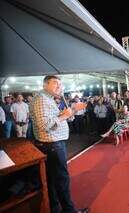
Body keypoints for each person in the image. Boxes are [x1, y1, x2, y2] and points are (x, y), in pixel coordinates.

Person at [29, 75, 88, 213]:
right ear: (45, 85)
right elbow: (44, 124)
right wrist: (69, 113)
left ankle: (55, 209)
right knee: (62, 180)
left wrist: (70, 111)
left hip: (52, 145)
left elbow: (55, 119)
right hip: (52, 146)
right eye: (55, 83)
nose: (59, 86)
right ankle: (69, 211)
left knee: (52, 181)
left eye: (60, 84)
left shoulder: (48, 99)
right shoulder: (41, 99)